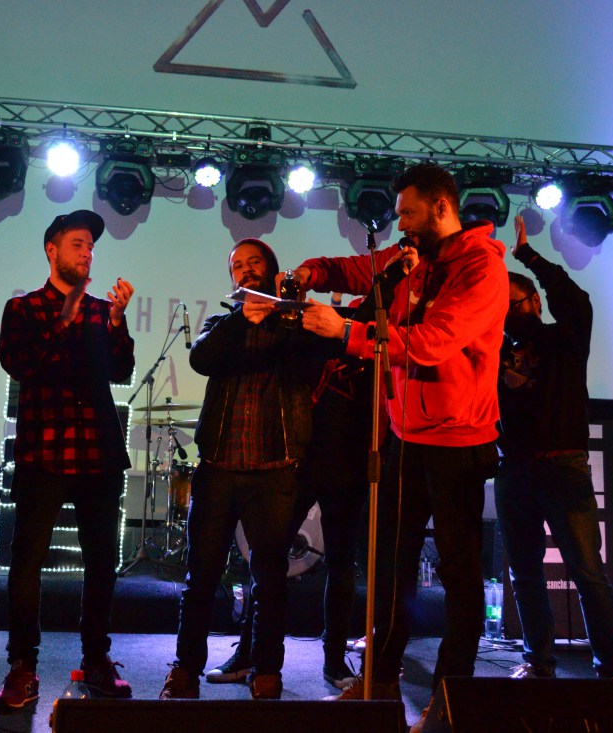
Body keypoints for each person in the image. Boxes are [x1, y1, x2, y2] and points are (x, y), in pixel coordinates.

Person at [294, 161, 508, 713]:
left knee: (460, 576)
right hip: (404, 437)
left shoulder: (480, 267)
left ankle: (449, 697)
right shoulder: (413, 257)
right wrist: (313, 272)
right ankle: (380, 682)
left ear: (441, 207)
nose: (401, 225)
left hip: (458, 442)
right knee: (390, 568)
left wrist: (347, 331)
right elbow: (360, 270)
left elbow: (432, 343)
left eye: (409, 213)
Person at [159, 238, 338, 701]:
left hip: (274, 471)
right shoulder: (223, 323)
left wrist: (285, 311)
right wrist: (243, 318)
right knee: (200, 577)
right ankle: (185, 670)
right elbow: (201, 358)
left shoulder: (297, 325)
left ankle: (266, 671)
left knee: (271, 580)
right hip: (218, 469)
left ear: (273, 270)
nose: (245, 270)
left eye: (254, 262)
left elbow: (315, 356)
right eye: (237, 265)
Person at [0, 210, 135, 711]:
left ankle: (96, 660)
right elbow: (19, 363)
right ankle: (22, 666)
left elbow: (121, 370)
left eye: (91, 246)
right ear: (51, 250)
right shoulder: (24, 308)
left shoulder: (101, 311)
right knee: (27, 563)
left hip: (98, 451)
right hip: (44, 451)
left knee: (101, 562)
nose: (87, 252)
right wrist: (62, 321)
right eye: (78, 243)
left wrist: (117, 323)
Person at [493, 214, 613, 681]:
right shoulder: (494, 351)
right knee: (525, 573)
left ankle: (612, 665)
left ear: (534, 301)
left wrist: (529, 256)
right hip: (514, 469)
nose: (507, 314)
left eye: (513, 304)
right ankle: (538, 661)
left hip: (563, 466)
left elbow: (575, 299)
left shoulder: (565, 339)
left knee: (587, 570)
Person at [206, 347, 375, 690]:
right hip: (297, 460)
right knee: (268, 560)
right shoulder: (306, 336)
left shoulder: (367, 339)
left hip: (349, 463)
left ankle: (334, 660)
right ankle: (248, 654)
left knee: (341, 565)